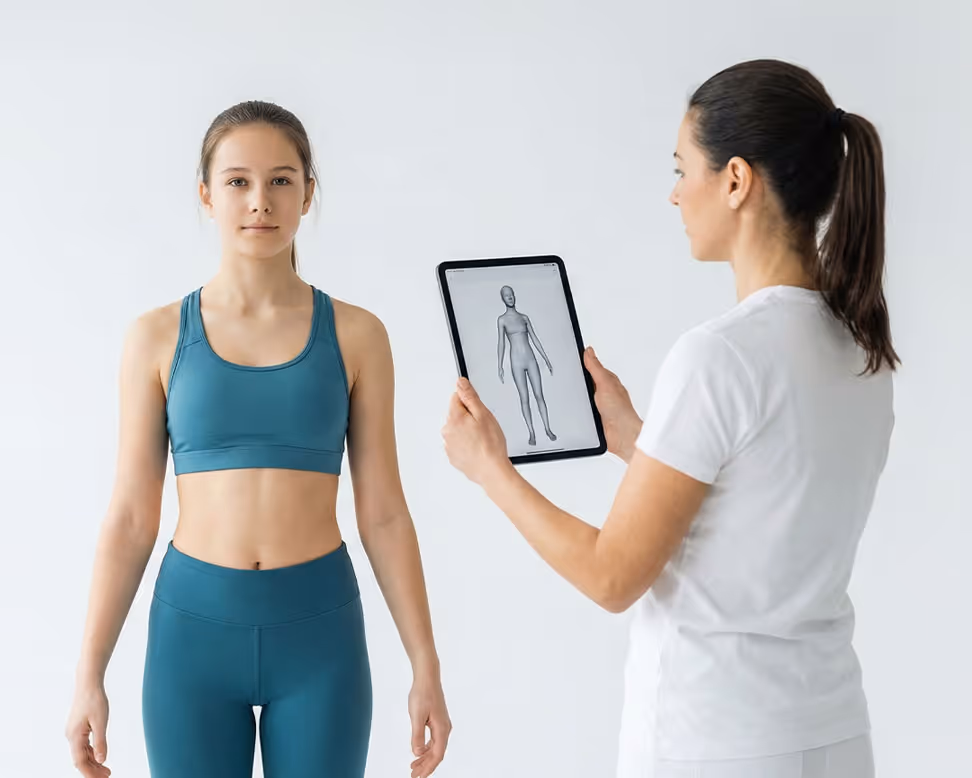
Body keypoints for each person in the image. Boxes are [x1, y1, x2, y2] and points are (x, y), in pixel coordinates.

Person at [442, 58, 896, 778]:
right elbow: (761, 497)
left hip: (715, 741)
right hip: (833, 734)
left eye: (683, 169)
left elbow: (611, 577)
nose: (675, 193)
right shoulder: (860, 349)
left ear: (736, 180)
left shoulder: (719, 355)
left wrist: (490, 470)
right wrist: (637, 439)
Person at [65, 100, 451, 778]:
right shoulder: (155, 337)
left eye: (281, 180)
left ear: (308, 193)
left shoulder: (359, 336)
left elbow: (385, 513)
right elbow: (129, 518)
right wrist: (88, 675)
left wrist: (426, 665)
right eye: (238, 181)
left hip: (320, 633)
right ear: (206, 194)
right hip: (192, 634)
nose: (259, 202)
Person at [496, 284, 557, 445]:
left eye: (511, 294)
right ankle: (531, 433)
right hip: (516, 361)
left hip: (531, 360)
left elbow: (535, 338)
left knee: (539, 395)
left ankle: (547, 429)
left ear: (514, 296)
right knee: (524, 398)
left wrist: (546, 358)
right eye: (506, 295)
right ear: (502, 299)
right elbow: (501, 343)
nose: (510, 297)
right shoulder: (502, 320)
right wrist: (499, 365)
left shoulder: (524, 318)